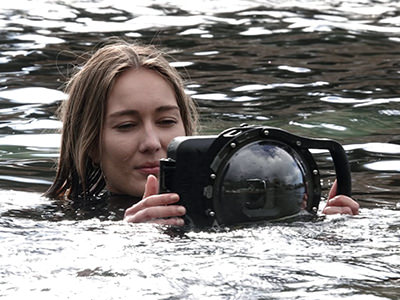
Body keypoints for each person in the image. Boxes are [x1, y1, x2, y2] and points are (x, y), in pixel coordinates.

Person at [45, 39, 359, 225]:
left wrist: (324, 231)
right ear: (89, 144)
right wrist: (131, 244)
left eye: (166, 122)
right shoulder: (65, 223)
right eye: (126, 126)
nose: (153, 143)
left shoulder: (244, 199)